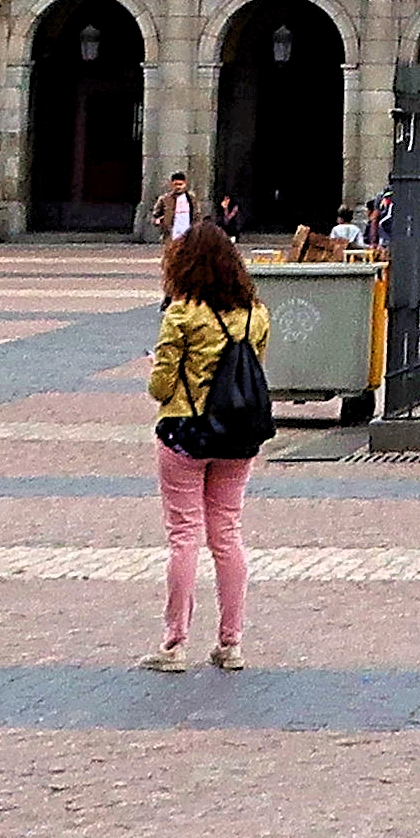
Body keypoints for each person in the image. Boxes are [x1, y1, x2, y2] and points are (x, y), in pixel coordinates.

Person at [144, 216, 271, 672]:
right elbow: (256, 368)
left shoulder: (182, 313)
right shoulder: (256, 313)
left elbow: (161, 387)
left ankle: (174, 643)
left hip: (186, 430)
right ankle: (231, 642)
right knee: (228, 534)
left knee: (184, 536)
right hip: (239, 434)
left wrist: (160, 372)